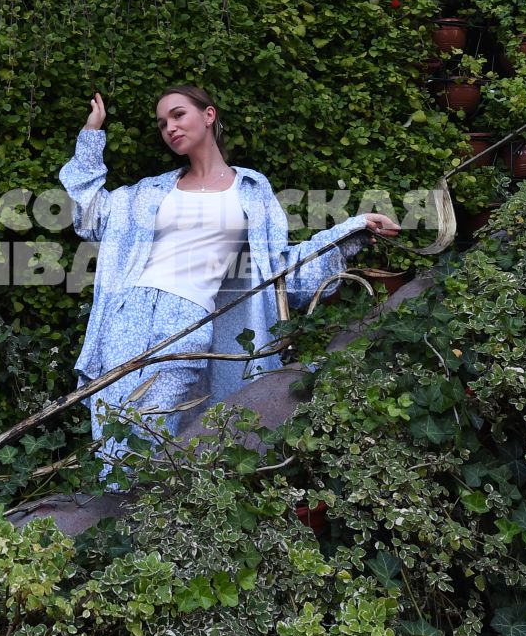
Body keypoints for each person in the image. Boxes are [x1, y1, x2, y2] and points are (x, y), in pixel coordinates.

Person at [58, 85, 401, 478]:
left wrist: (350, 231)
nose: (169, 127)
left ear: (208, 115)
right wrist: (92, 134)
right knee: (115, 438)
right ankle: (119, 527)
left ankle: (153, 527)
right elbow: (90, 218)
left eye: (177, 115)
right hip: (126, 318)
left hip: (185, 320)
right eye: (161, 123)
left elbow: (280, 270)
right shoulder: (150, 191)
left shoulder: (251, 191)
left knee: (152, 436)